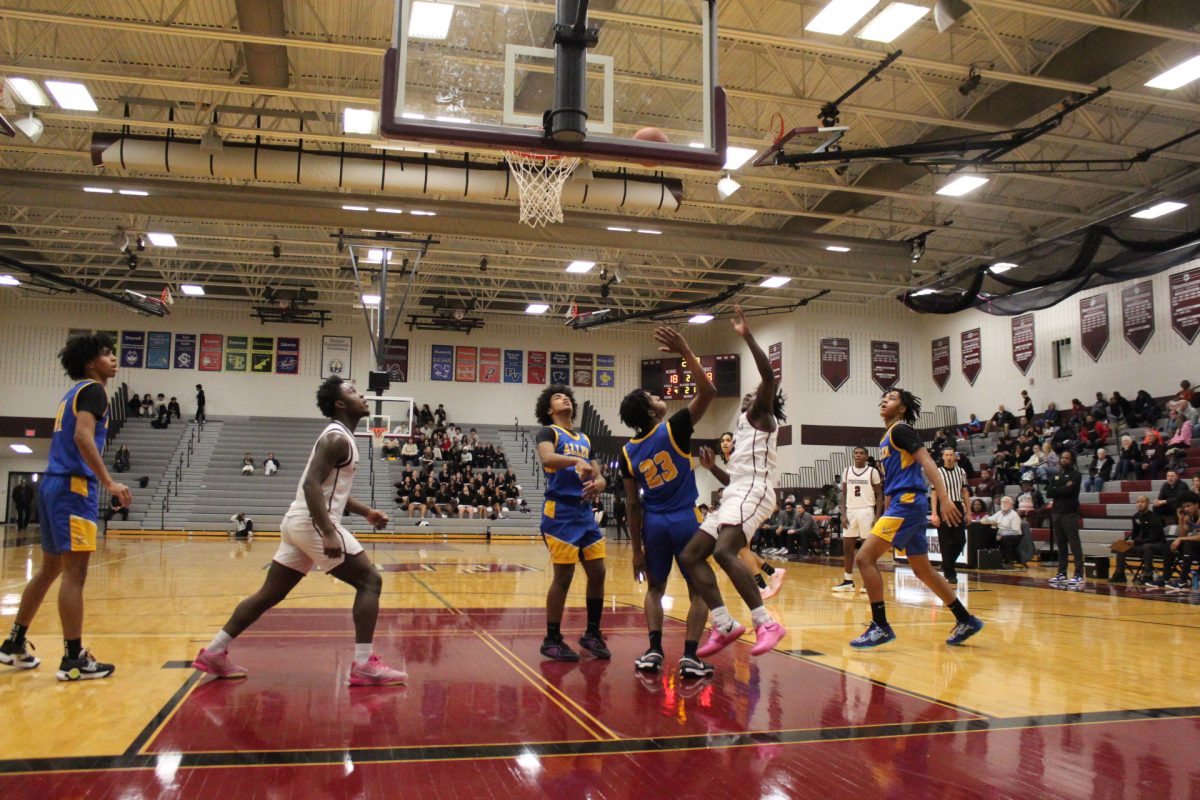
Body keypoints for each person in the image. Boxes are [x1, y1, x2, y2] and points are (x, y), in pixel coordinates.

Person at [192, 376, 404, 685]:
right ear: (340, 404)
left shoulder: (341, 437)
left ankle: (213, 652)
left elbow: (330, 490)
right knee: (370, 581)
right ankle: (363, 665)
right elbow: (310, 485)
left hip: (298, 523)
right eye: (354, 392)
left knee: (269, 594)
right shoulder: (337, 439)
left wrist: (366, 511)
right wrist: (328, 531)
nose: (363, 396)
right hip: (312, 524)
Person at [0, 333, 131, 678]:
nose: (113, 359)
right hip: (73, 487)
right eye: (106, 354)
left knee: (50, 569)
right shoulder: (95, 391)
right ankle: (73, 658)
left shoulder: (72, 393)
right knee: (75, 573)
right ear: (90, 362)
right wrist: (109, 482)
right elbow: (82, 436)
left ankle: (14, 643)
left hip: (54, 484)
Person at [678, 306, 787, 659]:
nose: (751, 394)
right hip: (737, 491)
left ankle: (765, 622)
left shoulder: (761, 415)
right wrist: (714, 470)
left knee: (725, 551)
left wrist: (747, 336)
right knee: (691, 555)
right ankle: (724, 624)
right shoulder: (742, 427)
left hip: (755, 492)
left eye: (755, 393)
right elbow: (736, 476)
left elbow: (769, 378)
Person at [850, 388, 982, 648]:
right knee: (922, 569)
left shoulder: (901, 430)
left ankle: (880, 625)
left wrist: (943, 498)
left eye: (892, 398)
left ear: (902, 408)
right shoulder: (887, 437)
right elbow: (892, 481)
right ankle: (965, 619)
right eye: (884, 397)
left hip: (908, 503)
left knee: (864, 558)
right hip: (901, 503)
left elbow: (928, 462)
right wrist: (886, 510)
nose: (885, 400)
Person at [619, 327, 716, 678]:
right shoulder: (672, 427)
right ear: (649, 410)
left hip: (653, 523)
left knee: (655, 588)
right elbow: (708, 390)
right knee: (699, 590)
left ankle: (654, 650)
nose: (659, 395)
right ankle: (690, 656)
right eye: (651, 394)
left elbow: (632, 505)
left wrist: (635, 550)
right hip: (686, 520)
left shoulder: (628, 452)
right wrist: (686, 350)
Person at [534, 384, 609, 662]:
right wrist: (577, 460)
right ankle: (551, 639)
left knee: (598, 572)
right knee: (563, 577)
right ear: (549, 409)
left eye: (567, 396)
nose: (564, 398)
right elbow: (547, 458)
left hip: (584, 513)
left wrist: (599, 484)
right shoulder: (549, 432)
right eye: (557, 397)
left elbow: (599, 475)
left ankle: (592, 633)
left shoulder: (585, 437)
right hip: (560, 513)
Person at [931, 448, 970, 583]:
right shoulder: (938, 472)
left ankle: (947, 564)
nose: (949, 457)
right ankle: (950, 573)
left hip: (957, 506)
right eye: (946, 455)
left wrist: (969, 512)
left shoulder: (961, 471)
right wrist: (934, 513)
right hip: (942, 506)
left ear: (955, 457)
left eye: (951, 455)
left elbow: (965, 492)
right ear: (943, 457)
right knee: (945, 541)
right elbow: (934, 493)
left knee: (961, 541)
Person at [1046, 450, 1084, 586]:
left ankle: (1078, 574)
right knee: (1061, 545)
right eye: (1062, 457)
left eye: (1067, 458)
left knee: (1074, 544)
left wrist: (1058, 489)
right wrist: (1061, 487)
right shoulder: (1056, 474)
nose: (1064, 460)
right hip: (1057, 513)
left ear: (1072, 460)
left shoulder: (1076, 475)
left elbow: (1070, 491)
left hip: (1070, 513)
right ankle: (1061, 573)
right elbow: (1049, 492)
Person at [1110, 496, 1166, 585]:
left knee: (1147, 547)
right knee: (1120, 546)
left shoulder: (1154, 518)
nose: (1139, 504)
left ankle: (1148, 575)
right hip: (1142, 544)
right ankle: (1119, 574)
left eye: (1142, 502)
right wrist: (1127, 540)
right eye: (1138, 502)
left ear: (1147, 504)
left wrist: (1136, 542)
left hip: (1157, 544)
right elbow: (1135, 533)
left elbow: (1153, 538)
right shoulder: (1136, 517)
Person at [1162, 492, 1200, 590]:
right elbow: (1182, 535)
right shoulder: (1188, 517)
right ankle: (1165, 578)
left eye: (1188, 506)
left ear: (1196, 504)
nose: (1186, 509)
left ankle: (1183, 581)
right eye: (1184, 507)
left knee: (1187, 543)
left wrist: (1180, 539)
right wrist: (1180, 519)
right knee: (1170, 543)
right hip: (1195, 548)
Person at [979, 495, 1025, 567]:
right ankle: (989, 559)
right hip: (999, 534)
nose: (1004, 504)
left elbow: (1016, 531)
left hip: (1013, 537)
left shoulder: (1014, 515)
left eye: (1006, 502)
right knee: (986, 534)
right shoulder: (1000, 513)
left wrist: (1002, 535)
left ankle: (1009, 562)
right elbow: (989, 519)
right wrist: (984, 519)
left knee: (1005, 539)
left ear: (1011, 505)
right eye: (1002, 502)